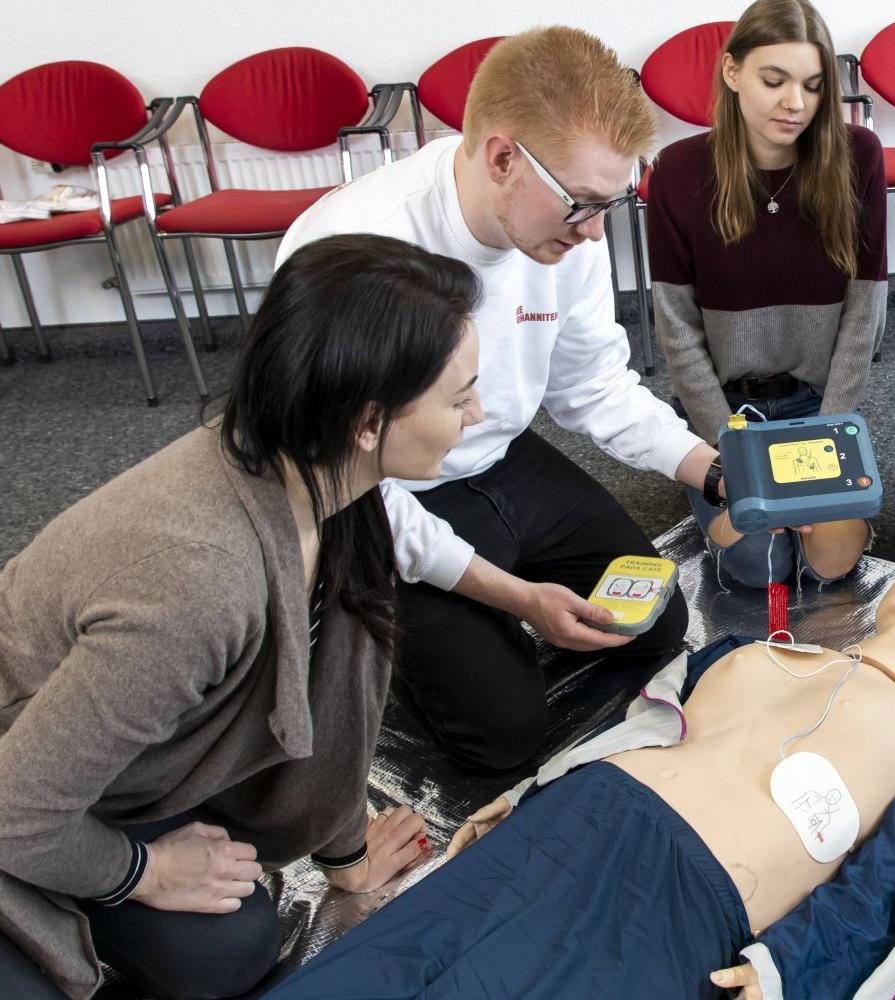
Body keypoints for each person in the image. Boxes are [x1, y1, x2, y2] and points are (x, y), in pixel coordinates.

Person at [0, 234, 482, 999]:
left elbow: (335, 697)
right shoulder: (198, 579)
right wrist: (145, 871)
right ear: (366, 421)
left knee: (224, 952)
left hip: (43, 780)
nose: (478, 411)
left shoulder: (325, 485)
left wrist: (345, 857)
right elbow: (4, 819)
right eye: (460, 397)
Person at [277, 27, 726, 773]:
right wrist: (516, 598)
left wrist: (712, 469)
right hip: (380, 494)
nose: (596, 234)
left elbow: (595, 386)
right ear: (502, 157)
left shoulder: (568, 228)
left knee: (654, 623)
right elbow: (338, 481)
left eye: (616, 202)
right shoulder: (353, 252)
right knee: (503, 737)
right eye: (583, 205)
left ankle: (476, 616)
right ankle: (370, 621)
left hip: (503, 458)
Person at [262, 570, 895, 1000]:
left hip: (681, 898)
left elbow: (888, 889)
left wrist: (789, 972)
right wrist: (533, 792)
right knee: (381, 960)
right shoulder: (749, 652)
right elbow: (642, 733)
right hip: (574, 821)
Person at [646, 0, 885, 590]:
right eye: (773, 81)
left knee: (829, 562)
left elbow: (865, 312)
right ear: (732, 73)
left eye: (812, 85)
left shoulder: (857, 156)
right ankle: (709, 488)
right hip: (727, 410)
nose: (795, 104)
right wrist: (727, 444)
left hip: (816, 404)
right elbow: (675, 331)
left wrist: (832, 435)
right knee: (761, 569)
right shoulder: (678, 171)